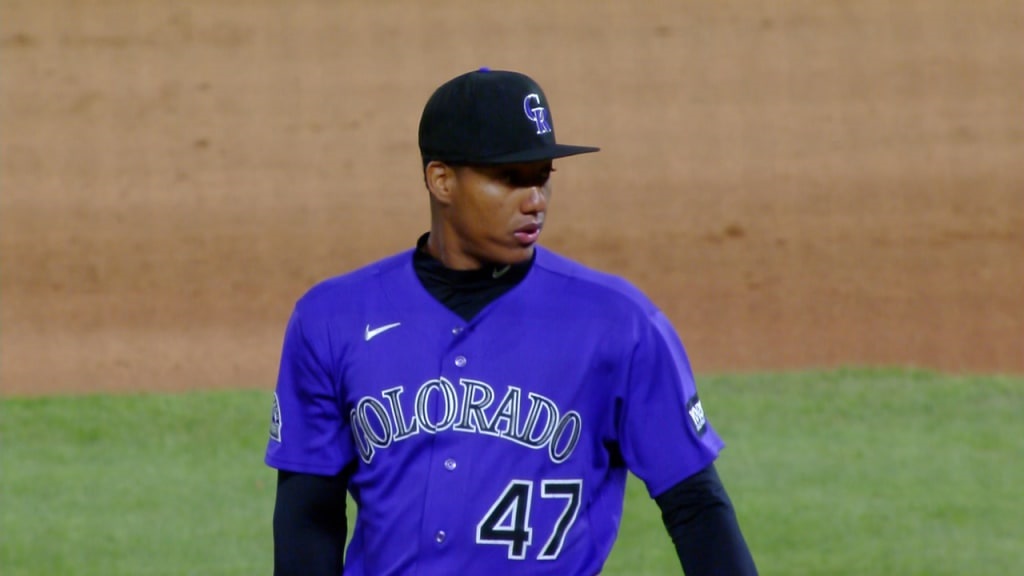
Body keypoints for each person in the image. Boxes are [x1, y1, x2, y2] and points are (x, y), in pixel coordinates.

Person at [265, 68, 758, 575]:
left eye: (541, 176)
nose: (535, 201)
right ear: (442, 180)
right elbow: (309, 514)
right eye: (509, 179)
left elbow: (696, 507)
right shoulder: (334, 318)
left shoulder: (619, 325)